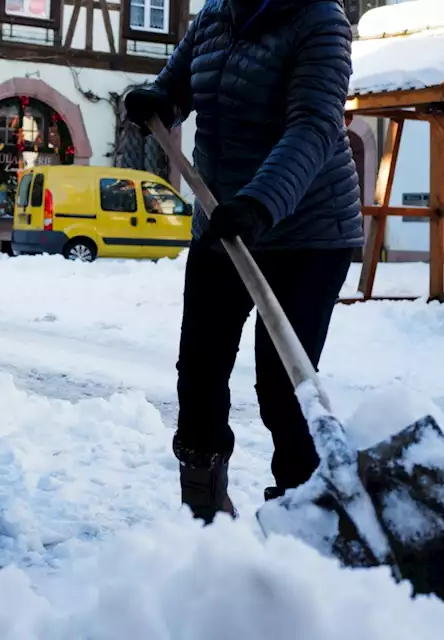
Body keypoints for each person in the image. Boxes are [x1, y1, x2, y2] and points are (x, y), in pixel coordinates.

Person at [123, 0, 363, 523]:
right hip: (222, 221)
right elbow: (177, 86)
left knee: (282, 384)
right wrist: (157, 99)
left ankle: (304, 515)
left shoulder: (319, 19)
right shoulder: (215, 16)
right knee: (200, 370)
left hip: (308, 230)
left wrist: (260, 203)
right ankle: (204, 508)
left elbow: (315, 126)